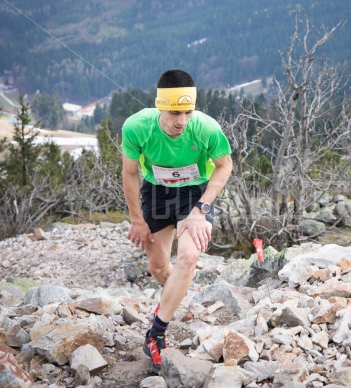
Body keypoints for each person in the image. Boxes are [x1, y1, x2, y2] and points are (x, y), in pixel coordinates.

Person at [120, 69, 233, 374]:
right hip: (156, 192)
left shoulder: (206, 128)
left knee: (189, 257)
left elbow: (225, 166)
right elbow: (130, 173)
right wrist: (137, 220)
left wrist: (200, 210)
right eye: (174, 111)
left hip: (194, 193)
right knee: (158, 268)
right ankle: (176, 293)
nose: (181, 120)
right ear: (160, 107)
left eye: (187, 111)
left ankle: (156, 334)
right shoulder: (137, 128)